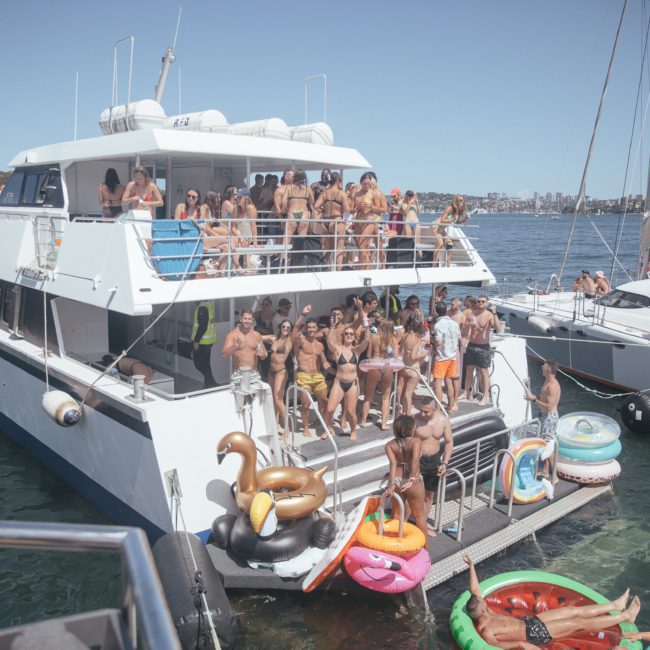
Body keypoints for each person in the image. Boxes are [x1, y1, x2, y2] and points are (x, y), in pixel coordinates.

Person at [462, 554, 639, 649]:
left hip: (529, 622)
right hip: (535, 635)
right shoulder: (487, 629)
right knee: (577, 623)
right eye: (483, 604)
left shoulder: (485, 611)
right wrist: (520, 644)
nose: (485, 601)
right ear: (483, 611)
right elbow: (494, 644)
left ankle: (615, 605)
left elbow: (475, 590)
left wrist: (471, 566)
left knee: (571, 610)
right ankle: (624, 617)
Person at [324, 319, 370, 441]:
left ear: (354, 337)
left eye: (351, 334)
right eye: (346, 333)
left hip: (352, 384)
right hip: (338, 383)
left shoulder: (357, 350)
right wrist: (332, 326)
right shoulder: (338, 349)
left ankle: (353, 430)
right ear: (343, 336)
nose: (349, 335)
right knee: (329, 409)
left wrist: (367, 326)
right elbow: (329, 340)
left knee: (351, 412)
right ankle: (328, 428)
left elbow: (366, 340)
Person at [292, 304, 333, 437]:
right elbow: (296, 328)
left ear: (317, 329)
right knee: (305, 404)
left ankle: (323, 423)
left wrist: (338, 373)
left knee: (324, 401)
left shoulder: (320, 345)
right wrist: (303, 314)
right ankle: (305, 427)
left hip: (317, 375)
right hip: (303, 376)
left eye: (313, 327)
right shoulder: (300, 341)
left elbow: (325, 363)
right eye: (308, 327)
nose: (310, 329)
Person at [385, 415, 428, 538]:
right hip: (412, 482)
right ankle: (425, 549)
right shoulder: (416, 441)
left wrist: (391, 484)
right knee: (419, 515)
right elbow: (414, 460)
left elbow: (393, 464)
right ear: (412, 428)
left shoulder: (389, 445)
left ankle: (394, 546)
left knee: (397, 515)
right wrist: (413, 479)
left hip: (397, 481)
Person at [414, 396, 453, 529]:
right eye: (421, 410)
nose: (423, 414)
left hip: (434, 460)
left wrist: (445, 463)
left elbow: (449, 442)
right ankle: (410, 522)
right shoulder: (415, 419)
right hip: (418, 460)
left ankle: (422, 526)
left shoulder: (443, 420)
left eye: (426, 412)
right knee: (414, 494)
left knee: (429, 495)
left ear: (435, 408)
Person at [524, 360, 561, 481]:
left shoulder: (552, 386)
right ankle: (545, 471)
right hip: (545, 415)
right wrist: (536, 397)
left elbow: (549, 407)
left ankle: (554, 476)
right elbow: (545, 400)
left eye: (544, 366)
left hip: (549, 417)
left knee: (547, 446)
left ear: (549, 369)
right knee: (546, 443)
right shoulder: (547, 381)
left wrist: (534, 400)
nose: (542, 367)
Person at [361, 319, 399, 430]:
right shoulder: (394, 340)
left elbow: (368, 355)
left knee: (368, 397)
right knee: (385, 398)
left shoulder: (374, 338)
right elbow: (395, 357)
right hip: (387, 369)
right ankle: (383, 423)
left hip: (375, 367)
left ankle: (363, 421)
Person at [462, 295, 499, 406]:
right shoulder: (472, 314)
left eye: (483, 301)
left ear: (487, 303)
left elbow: (497, 327)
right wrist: (468, 326)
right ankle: (466, 392)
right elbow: (465, 329)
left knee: (484, 372)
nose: (481, 303)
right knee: (469, 370)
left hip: (483, 347)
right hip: (471, 345)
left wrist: (495, 313)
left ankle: (486, 395)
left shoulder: (489, 315)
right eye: (479, 301)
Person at [313, 171, 350, 269]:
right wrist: (344, 222)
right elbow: (347, 211)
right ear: (338, 181)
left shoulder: (325, 193)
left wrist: (323, 210)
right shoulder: (342, 194)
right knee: (340, 247)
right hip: (336, 220)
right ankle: (338, 270)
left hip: (325, 222)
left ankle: (324, 266)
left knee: (327, 247)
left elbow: (316, 206)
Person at [265, 319, 293, 433]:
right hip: (271, 371)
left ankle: (287, 429)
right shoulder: (274, 339)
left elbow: (297, 327)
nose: (285, 329)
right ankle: (275, 424)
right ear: (280, 327)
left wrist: (303, 314)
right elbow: (258, 337)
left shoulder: (289, 340)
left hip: (281, 371)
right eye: (283, 326)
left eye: (288, 327)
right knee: (273, 399)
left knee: (278, 400)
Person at [433, 301, 461, 412]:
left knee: (437, 384)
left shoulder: (438, 325)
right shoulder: (454, 323)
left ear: (436, 311)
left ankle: (437, 408)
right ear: (446, 310)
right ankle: (451, 405)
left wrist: (433, 342)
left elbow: (439, 343)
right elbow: (458, 338)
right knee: (449, 382)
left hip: (442, 358)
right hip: (452, 356)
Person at [399, 315, 430, 416]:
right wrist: (424, 353)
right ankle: (408, 414)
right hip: (413, 369)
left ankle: (404, 411)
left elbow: (400, 351)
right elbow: (413, 356)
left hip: (405, 367)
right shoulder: (417, 338)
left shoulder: (404, 335)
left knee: (404, 393)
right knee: (408, 394)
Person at [222, 309, 268, 375]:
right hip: (238, 374)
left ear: (252, 320)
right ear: (241, 319)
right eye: (245, 318)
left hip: (253, 374)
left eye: (249, 319)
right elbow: (224, 354)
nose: (247, 321)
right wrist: (234, 346)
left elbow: (264, 356)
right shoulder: (232, 334)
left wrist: (262, 354)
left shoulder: (257, 335)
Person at [353, 172, 384, 269]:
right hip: (359, 221)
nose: (367, 185)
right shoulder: (356, 193)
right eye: (365, 183)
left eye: (369, 183)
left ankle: (381, 266)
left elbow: (381, 209)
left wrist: (370, 207)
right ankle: (367, 265)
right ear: (361, 183)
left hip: (371, 221)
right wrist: (357, 208)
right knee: (362, 247)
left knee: (373, 246)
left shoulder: (375, 193)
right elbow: (351, 209)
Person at [192, 300, 217, 388]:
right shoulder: (208, 304)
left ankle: (211, 382)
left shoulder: (202, 307)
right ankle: (209, 384)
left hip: (202, 342)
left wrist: (196, 341)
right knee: (206, 364)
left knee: (199, 364)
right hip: (208, 341)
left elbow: (203, 326)